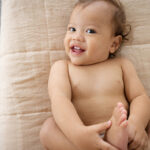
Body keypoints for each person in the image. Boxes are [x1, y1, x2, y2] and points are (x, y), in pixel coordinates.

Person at [40, 0, 150, 150]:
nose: (76, 37)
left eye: (90, 31)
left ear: (113, 44)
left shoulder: (122, 65)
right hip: (83, 136)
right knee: (48, 129)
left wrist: (136, 123)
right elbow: (60, 100)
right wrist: (77, 133)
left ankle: (119, 139)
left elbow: (139, 97)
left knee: (141, 122)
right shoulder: (62, 68)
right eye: (72, 29)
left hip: (122, 128)